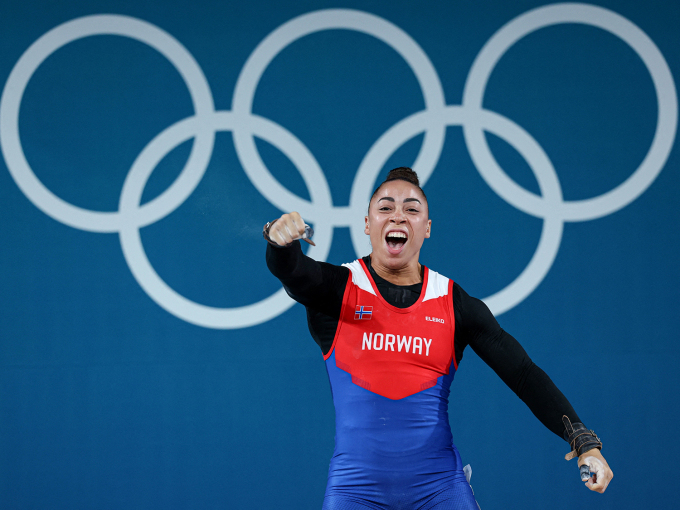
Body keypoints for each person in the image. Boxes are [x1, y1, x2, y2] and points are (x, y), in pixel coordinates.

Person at [264, 167, 613, 509]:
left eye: (411, 209)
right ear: (368, 225)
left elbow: (522, 373)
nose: (398, 216)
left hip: (439, 491)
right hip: (355, 492)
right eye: (385, 208)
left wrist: (584, 441)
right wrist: (281, 242)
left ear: (427, 228)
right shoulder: (337, 290)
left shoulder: (456, 304)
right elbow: (293, 271)